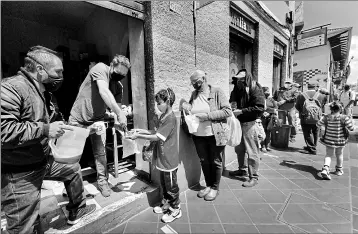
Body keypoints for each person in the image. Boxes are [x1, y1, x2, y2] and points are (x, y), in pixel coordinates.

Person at [1, 46, 96, 234]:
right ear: (40, 70)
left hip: (42, 160)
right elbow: (3, 131)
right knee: (23, 227)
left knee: (72, 169)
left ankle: (78, 208)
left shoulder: (45, 94)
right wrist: (45, 130)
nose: (60, 76)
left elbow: (55, 125)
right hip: (20, 171)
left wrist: (87, 129)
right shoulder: (11, 87)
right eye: (58, 71)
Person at [69, 55, 130, 197]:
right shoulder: (100, 68)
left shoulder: (118, 87)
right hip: (78, 119)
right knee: (73, 156)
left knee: (101, 153)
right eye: (118, 73)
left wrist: (120, 123)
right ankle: (73, 188)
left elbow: (116, 111)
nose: (119, 77)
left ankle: (103, 182)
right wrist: (119, 112)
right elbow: (103, 91)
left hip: (98, 121)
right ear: (111, 66)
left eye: (123, 75)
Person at [126, 88, 180, 223]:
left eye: (159, 103)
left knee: (171, 186)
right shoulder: (163, 116)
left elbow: (157, 137)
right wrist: (140, 130)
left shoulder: (171, 118)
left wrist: (138, 136)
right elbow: (156, 131)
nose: (157, 106)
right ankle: (167, 203)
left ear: (168, 102)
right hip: (162, 158)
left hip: (169, 160)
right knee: (164, 184)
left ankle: (176, 208)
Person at [182, 70, 232, 200]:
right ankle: (209, 185)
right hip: (198, 135)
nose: (193, 85)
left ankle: (215, 188)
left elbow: (227, 111)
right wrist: (186, 106)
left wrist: (207, 116)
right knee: (204, 160)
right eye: (192, 83)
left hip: (215, 133)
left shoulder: (216, 91)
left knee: (216, 161)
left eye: (195, 82)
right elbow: (191, 108)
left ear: (203, 79)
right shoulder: (194, 94)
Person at [229, 69, 265, 187]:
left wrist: (242, 111)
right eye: (238, 79)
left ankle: (253, 177)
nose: (239, 81)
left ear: (247, 79)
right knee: (239, 149)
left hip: (249, 124)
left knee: (252, 151)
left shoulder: (255, 88)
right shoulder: (236, 89)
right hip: (239, 123)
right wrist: (233, 106)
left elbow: (259, 108)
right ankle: (242, 169)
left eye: (242, 79)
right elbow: (232, 102)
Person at [317, 101, 354, 180]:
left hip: (329, 139)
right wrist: (351, 121)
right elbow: (351, 128)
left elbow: (318, 124)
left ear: (331, 109)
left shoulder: (326, 117)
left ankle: (325, 168)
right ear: (340, 109)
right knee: (339, 154)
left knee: (328, 155)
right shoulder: (344, 117)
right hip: (340, 140)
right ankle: (338, 170)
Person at [295, 81, 325, 155]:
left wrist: (302, 112)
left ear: (308, 87)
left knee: (307, 132)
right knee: (316, 131)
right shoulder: (321, 96)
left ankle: (311, 148)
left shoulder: (301, 95)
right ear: (315, 87)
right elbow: (322, 105)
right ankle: (314, 145)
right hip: (317, 118)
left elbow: (297, 106)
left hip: (305, 117)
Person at [261, 87, 278, 152]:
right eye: (266, 92)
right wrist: (263, 112)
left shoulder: (271, 100)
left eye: (268, 92)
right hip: (262, 117)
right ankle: (263, 146)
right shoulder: (261, 99)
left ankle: (267, 145)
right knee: (262, 131)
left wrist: (269, 111)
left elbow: (276, 107)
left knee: (268, 131)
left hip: (270, 117)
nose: (267, 93)